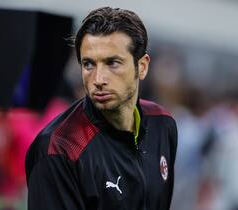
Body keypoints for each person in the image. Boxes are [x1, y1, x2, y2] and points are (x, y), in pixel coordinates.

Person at [25, 7, 178, 210]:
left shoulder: (163, 123)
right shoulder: (60, 148)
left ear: (142, 66)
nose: (98, 79)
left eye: (112, 63)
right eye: (89, 64)